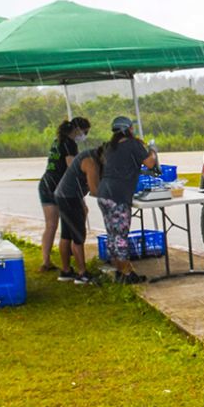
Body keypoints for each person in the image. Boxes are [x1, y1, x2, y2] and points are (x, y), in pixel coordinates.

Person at [97, 115, 159, 284]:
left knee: (112, 234)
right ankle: (126, 274)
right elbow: (150, 164)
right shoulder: (133, 144)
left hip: (104, 193)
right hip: (118, 195)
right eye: (131, 128)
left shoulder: (110, 146)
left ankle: (120, 270)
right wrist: (152, 150)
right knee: (121, 235)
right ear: (128, 129)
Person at [37, 117, 89, 271]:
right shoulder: (69, 143)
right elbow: (72, 166)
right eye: (85, 132)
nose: (85, 135)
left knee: (51, 225)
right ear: (78, 129)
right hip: (60, 187)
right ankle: (73, 249)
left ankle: (46, 261)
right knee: (77, 216)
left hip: (46, 184)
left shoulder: (58, 140)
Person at [53, 144, 101, 283]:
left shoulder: (90, 155)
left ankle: (66, 271)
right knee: (78, 236)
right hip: (70, 197)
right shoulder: (91, 162)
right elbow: (94, 190)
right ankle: (82, 274)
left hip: (64, 195)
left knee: (67, 234)